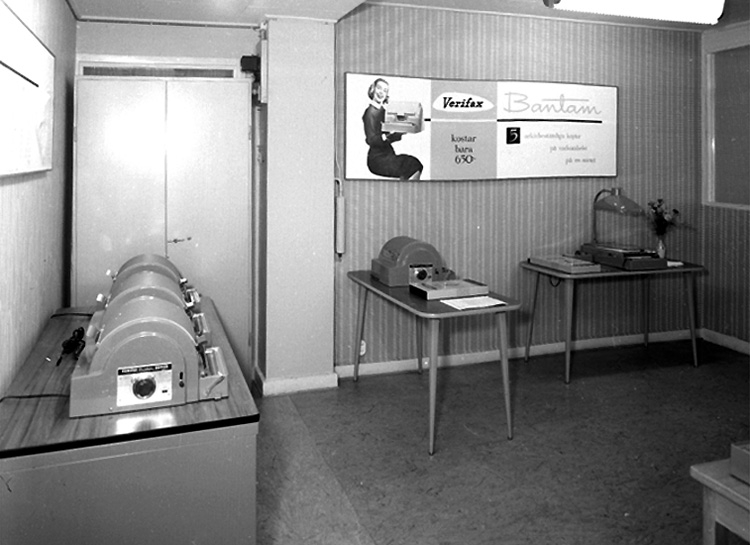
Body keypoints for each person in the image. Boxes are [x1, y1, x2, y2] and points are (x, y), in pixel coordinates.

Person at [362, 78, 423, 181]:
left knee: (414, 164)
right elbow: (371, 140)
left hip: (388, 154)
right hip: (377, 159)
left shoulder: (384, 111)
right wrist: (388, 134)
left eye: (385, 91)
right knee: (413, 165)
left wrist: (402, 130)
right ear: (373, 89)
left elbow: (389, 137)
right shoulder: (370, 112)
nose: (381, 92)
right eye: (379, 88)